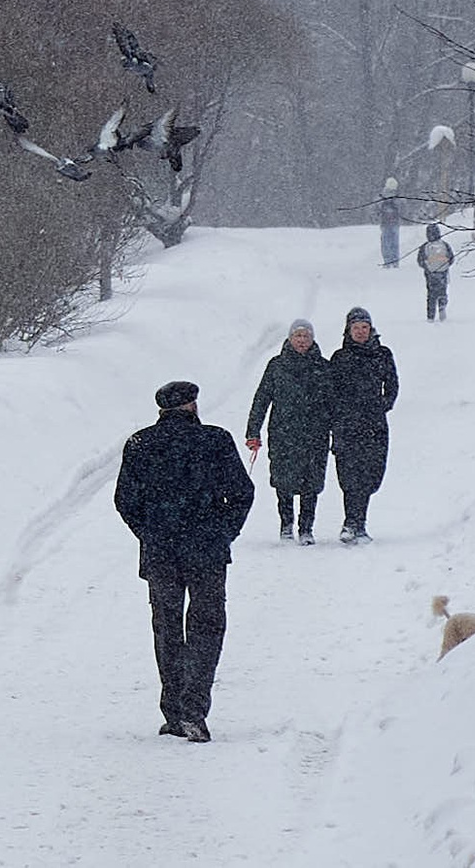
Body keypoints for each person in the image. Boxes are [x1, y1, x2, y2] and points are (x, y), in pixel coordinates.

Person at [113, 379, 256, 743]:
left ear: (161, 409)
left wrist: (148, 531)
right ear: (192, 405)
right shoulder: (215, 440)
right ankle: (194, 708)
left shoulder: (140, 444)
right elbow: (242, 493)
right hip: (206, 551)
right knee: (207, 627)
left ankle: (173, 710)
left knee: (167, 627)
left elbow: (125, 500)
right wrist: (225, 532)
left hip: (161, 552)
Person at [244, 320, 333, 545]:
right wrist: (253, 430)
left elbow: (333, 403)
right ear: (290, 339)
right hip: (283, 434)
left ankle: (306, 528)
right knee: (283, 481)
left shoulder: (323, 366)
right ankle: (286, 525)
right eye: (298, 336)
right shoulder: (276, 366)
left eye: (306, 336)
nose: (302, 340)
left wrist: (337, 430)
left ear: (312, 339)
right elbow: (262, 398)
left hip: (315, 434)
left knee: (311, 483)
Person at [329, 307, 400, 544]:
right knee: (349, 475)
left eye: (364, 328)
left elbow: (392, 385)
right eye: (356, 328)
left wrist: (383, 405)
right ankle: (352, 523)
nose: (360, 332)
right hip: (347, 425)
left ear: (371, 330)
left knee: (371, 474)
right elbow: (331, 391)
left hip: (374, 424)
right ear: (348, 330)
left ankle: (360, 521)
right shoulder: (340, 358)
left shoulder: (383, 354)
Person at [417, 223, 455, 321]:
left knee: (431, 295)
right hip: (443, 273)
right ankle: (442, 306)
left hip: (430, 274)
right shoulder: (445, 245)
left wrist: (427, 267)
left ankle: (431, 315)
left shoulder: (425, 247)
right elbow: (451, 258)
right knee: (442, 292)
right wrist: (445, 266)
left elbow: (420, 260)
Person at [377, 177, 401, 267]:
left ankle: (390, 261)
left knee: (388, 243)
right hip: (390, 223)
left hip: (389, 223)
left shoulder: (382, 197)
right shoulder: (384, 197)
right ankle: (393, 261)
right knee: (392, 243)